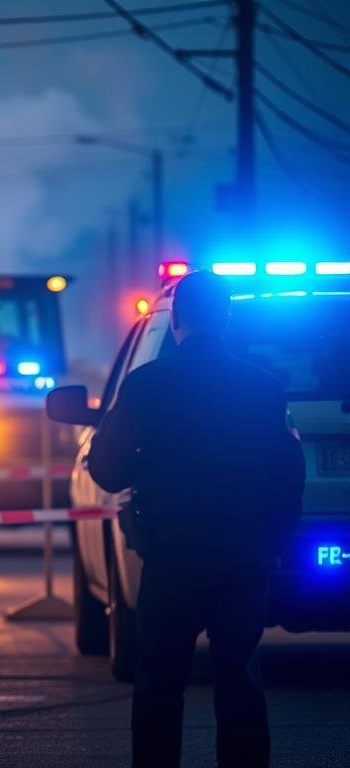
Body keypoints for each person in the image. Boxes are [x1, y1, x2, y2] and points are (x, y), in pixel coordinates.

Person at [86, 270, 306, 768]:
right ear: (227, 318)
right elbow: (290, 474)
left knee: (160, 686)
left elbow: (107, 470)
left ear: (178, 319)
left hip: (172, 559)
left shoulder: (147, 385)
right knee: (240, 682)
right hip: (245, 560)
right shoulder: (263, 387)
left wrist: (142, 462)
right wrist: (275, 543)